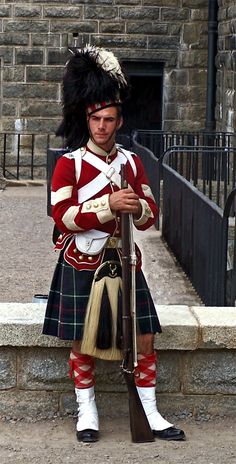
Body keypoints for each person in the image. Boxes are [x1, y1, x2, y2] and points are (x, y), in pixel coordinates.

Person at [43, 45, 185, 443]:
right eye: (95, 119)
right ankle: (86, 412)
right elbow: (63, 217)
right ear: (86, 120)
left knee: (143, 339)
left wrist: (136, 204)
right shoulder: (68, 164)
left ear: (119, 121)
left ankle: (151, 413)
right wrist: (108, 204)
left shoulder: (132, 162)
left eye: (108, 119)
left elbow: (150, 215)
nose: (102, 126)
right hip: (81, 260)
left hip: (125, 262)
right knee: (81, 341)